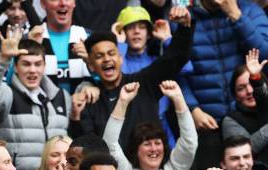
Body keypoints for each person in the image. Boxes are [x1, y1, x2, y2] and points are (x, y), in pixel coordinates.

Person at [69, 6, 193, 151]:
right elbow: (87, 146)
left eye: (111, 53)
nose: (107, 59)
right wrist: (74, 117)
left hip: (152, 168)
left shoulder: (145, 82)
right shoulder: (91, 100)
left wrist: (185, 26)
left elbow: (176, 57)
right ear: (90, 65)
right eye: (99, 56)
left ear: (120, 57)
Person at [0, 27, 71, 170]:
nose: (32, 70)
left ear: (45, 66)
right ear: (16, 67)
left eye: (37, 64)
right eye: (26, 64)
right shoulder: (6, 95)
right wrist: (3, 58)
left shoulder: (62, 97)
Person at [182, 0, 268, 170]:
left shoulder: (248, 10)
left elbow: (266, 53)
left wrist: (236, 16)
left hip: (247, 116)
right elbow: (175, 70)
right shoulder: (186, 16)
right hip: (207, 120)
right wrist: (192, 108)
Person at [103, 81, 197, 170]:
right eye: (147, 144)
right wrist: (122, 102)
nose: (154, 149)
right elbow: (109, 144)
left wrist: (178, 98)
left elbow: (189, 142)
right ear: (136, 149)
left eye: (158, 143)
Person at [35, 0, 92, 93]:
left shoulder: (89, 38)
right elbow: (11, 84)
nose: (63, 3)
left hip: (84, 106)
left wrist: (91, 61)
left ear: (74, 3)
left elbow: (110, 83)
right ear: (43, 3)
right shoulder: (30, 39)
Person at [0, 0, 41, 65]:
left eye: (22, 9)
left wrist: (25, 2)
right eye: (12, 9)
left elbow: (39, 30)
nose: (17, 14)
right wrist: (6, 2)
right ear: (5, 10)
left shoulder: (33, 31)